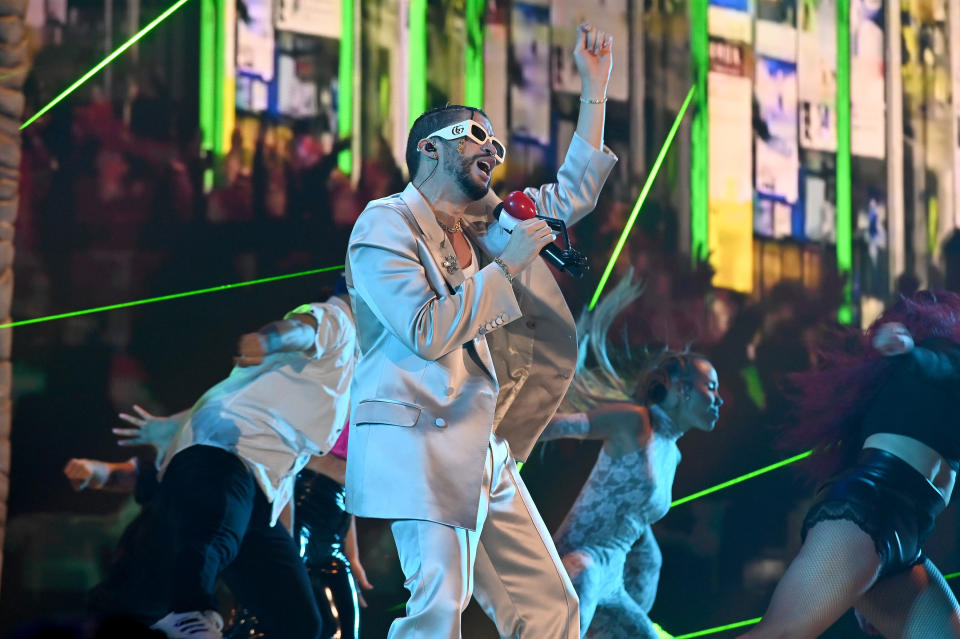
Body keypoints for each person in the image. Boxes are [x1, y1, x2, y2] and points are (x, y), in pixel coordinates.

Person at [345, 23, 617, 639]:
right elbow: (424, 329)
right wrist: (514, 261)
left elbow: (573, 193)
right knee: (441, 607)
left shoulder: (489, 220)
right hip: (423, 439)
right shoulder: (384, 225)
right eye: (474, 135)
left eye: (495, 140)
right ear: (429, 150)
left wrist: (595, 88)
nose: (491, 147)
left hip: (486, 447)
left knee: (552, 611)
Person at [86, 277, 360, 639]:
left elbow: (288, 467)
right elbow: (300, 329)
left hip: (261, 486)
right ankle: (190, 612)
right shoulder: (341, 320)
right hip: (225, 454)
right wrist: (267, 340)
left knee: (299, 622)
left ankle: (167, 611)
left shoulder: (350, 372)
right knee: (217, 531)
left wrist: (287, 544)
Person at [738, 291, 960, 639]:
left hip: (904, 540)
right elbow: (936, 365)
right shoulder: (942, 358)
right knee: (782, 635)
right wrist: (907, 352)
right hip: (867, 513)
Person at [538, 274, 722, 638]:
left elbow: (635, 518)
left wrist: (650, 559)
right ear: (683, 390)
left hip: (612, 578)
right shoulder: (635, 422)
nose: (719, 399)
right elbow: (553, 426)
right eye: (712, 387)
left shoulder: (673, 453)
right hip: (578, 567)